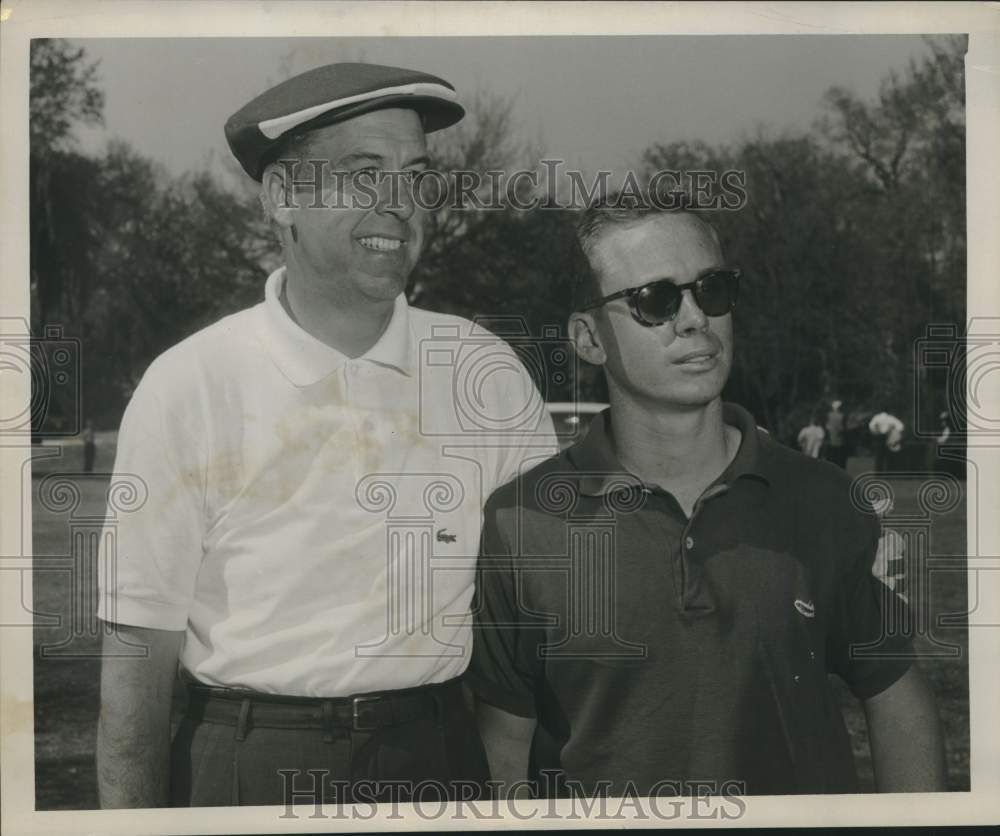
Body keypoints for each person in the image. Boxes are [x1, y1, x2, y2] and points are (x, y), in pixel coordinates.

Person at [95, 62, 557, 808]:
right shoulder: (190, 383)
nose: (397, 205)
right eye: (363, 173)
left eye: (414, 177)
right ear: (283, 197)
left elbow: (534, 625)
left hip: (437, 752)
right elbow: (136, 667)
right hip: (247, 766)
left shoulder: (484, 373)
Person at [468, 198, 946, 797]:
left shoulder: (823, 498)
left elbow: (895, 696)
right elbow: (505, 741)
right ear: (588, 338)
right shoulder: (522, 521)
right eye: (656, 301)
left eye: (712, 289)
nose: (696, 318)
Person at [824, 399, 847, 468]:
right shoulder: (842, 416)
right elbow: (843, 428)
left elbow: (826, 426)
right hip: (839, 439)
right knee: (839, 458)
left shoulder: (828, 415)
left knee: (831, 457)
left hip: (830, 439)